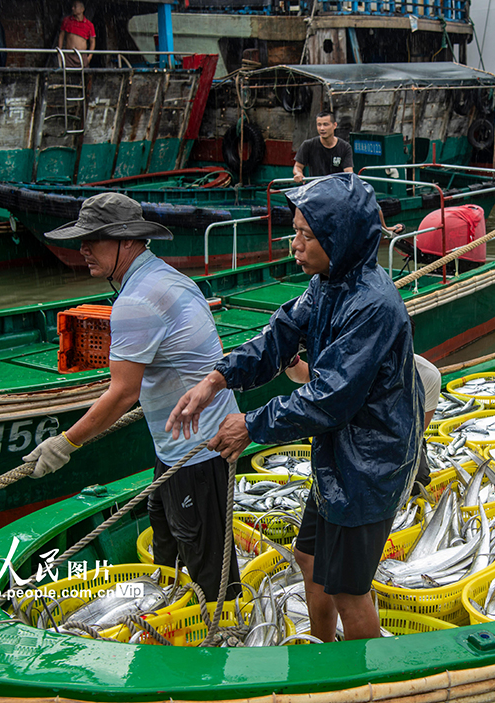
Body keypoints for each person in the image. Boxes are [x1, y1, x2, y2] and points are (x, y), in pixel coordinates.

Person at [166, 173, 423, 642]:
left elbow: (330, 398)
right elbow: (279, 335)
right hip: (338, 457)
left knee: (350, 590)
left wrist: (253, 424)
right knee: (308, 558)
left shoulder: (373, 306)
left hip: (369, 462)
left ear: (338, 239)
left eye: (306, 235)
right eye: (297, 232)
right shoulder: (328, 282)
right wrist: (217, 377)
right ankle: (323, 650)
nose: (295, 245)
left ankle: (366, 680)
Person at [23, 192, 240, 602]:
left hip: (198, 454)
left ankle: (221, 645)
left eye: (94, 239)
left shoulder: (137, 300)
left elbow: (123, 393)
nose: (82, 248)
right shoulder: (165, 276)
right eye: (82, 239)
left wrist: (65, 444)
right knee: (170, 554)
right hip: (178, 450)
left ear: (127, 240)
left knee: (211, 581)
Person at [285, 348, 440, 492]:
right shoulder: (356, 366)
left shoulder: (428, 375)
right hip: (354, 436)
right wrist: (289, 358)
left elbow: (418, 430)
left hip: (400, 439)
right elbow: (304, 374)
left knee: (417, 479)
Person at [292, 111, 354, 183]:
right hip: (315, 189)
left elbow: (349, 173)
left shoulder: (345, 147)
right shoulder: (308, 145)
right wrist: (298, 173)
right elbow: (297, 167)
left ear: (334, 125)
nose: (322, 128)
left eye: (325, 125)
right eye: (319, 125)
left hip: (337, 190)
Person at [57, 1, 95, 68]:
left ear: (82, 9)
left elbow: (92, 41)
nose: (72, 8)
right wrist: (59, 52)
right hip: (69, 55)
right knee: (68, 75)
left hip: (82, 55)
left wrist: (90, 56)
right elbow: (61, 36)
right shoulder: (67, 21)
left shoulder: (89, 25)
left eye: (75, 7)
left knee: (85, 75)